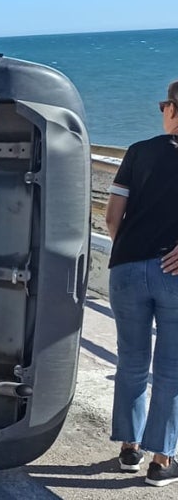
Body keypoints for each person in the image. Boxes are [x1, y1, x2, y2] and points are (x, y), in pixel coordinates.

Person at [105, 80, 178, 485]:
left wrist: (133, 251)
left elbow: (112, 217)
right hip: (174, 274)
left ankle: (129, 449)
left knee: (132, 361)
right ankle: (161, 461)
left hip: (127, 270)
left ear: (170, 108)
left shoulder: (138, 151)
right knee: (171, 368)